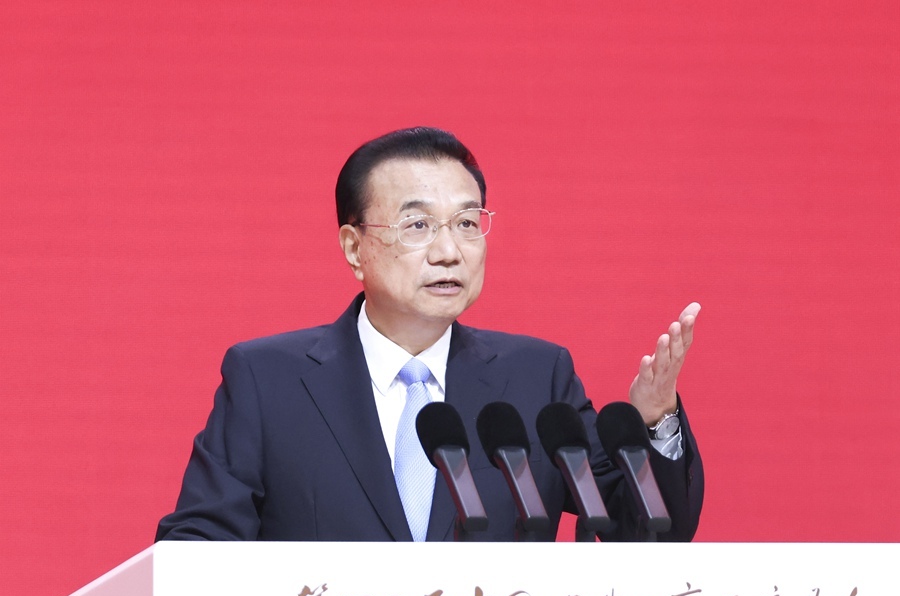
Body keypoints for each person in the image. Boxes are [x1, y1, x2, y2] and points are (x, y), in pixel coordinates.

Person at [156, 127, 703, 543]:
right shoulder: (268, 380)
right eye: (417, 226)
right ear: (354, 248)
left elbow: (644, 532)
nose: (449, 251)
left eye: (466, 223)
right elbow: (197, 547)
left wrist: (657, 422)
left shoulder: (537, 377)